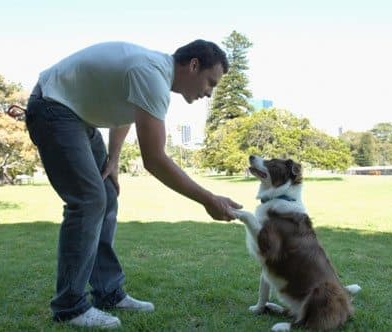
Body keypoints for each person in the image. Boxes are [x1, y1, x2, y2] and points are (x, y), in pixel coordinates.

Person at [25, 39, 242, 329]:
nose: (209, 93)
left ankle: (108, 293)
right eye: (210, 83)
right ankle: (70, 307)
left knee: (107, 193)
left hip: (76, 116)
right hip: (53, 107)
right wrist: (208, 199)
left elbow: (124, 111)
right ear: (193, 65)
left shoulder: (153, 75)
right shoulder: (152, 74)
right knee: (89, 200)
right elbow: (154, 160)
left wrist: (113, 159)